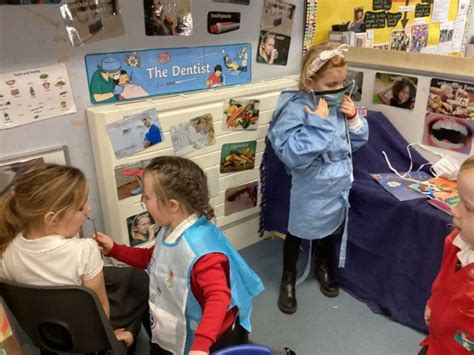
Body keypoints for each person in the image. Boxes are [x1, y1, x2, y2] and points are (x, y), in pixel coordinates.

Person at [95, 156, 265, 355]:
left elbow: (219, 297)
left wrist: (201, 346)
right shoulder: (170, 228)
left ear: (172, 205)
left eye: (147, 197)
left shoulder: (200, 254)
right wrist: (114, 249)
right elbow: (154, 258)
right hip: (178, 319)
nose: (142, 200)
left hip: (211, 336)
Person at [261, 43, 369, 314]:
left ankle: (323, 266)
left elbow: (352, 143)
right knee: (298, 231)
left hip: (338, 182)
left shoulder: (339, 103)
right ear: (311, 82)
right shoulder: (296, 108)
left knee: (330, 228)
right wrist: (318, 123)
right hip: (311, 185)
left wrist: (354, 118)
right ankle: (288, 277)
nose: (340, 88)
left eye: (344, 82)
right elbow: (292, 154)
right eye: (332, 83)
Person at [0, 163, 149, 349]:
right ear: (52, 219)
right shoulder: (85, 250)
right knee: (140, 281)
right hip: (86, 336)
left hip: (45, 333)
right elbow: (101, 309)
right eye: (80, 208)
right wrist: (109, 336)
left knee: (122, 277)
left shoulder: (6, 250)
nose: (88, 210)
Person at [419, 155, 474, 355]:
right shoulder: (456, 241)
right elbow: (443, 280)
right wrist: (433, 303)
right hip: (436, 341)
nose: (454, 210)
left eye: (467, 207)